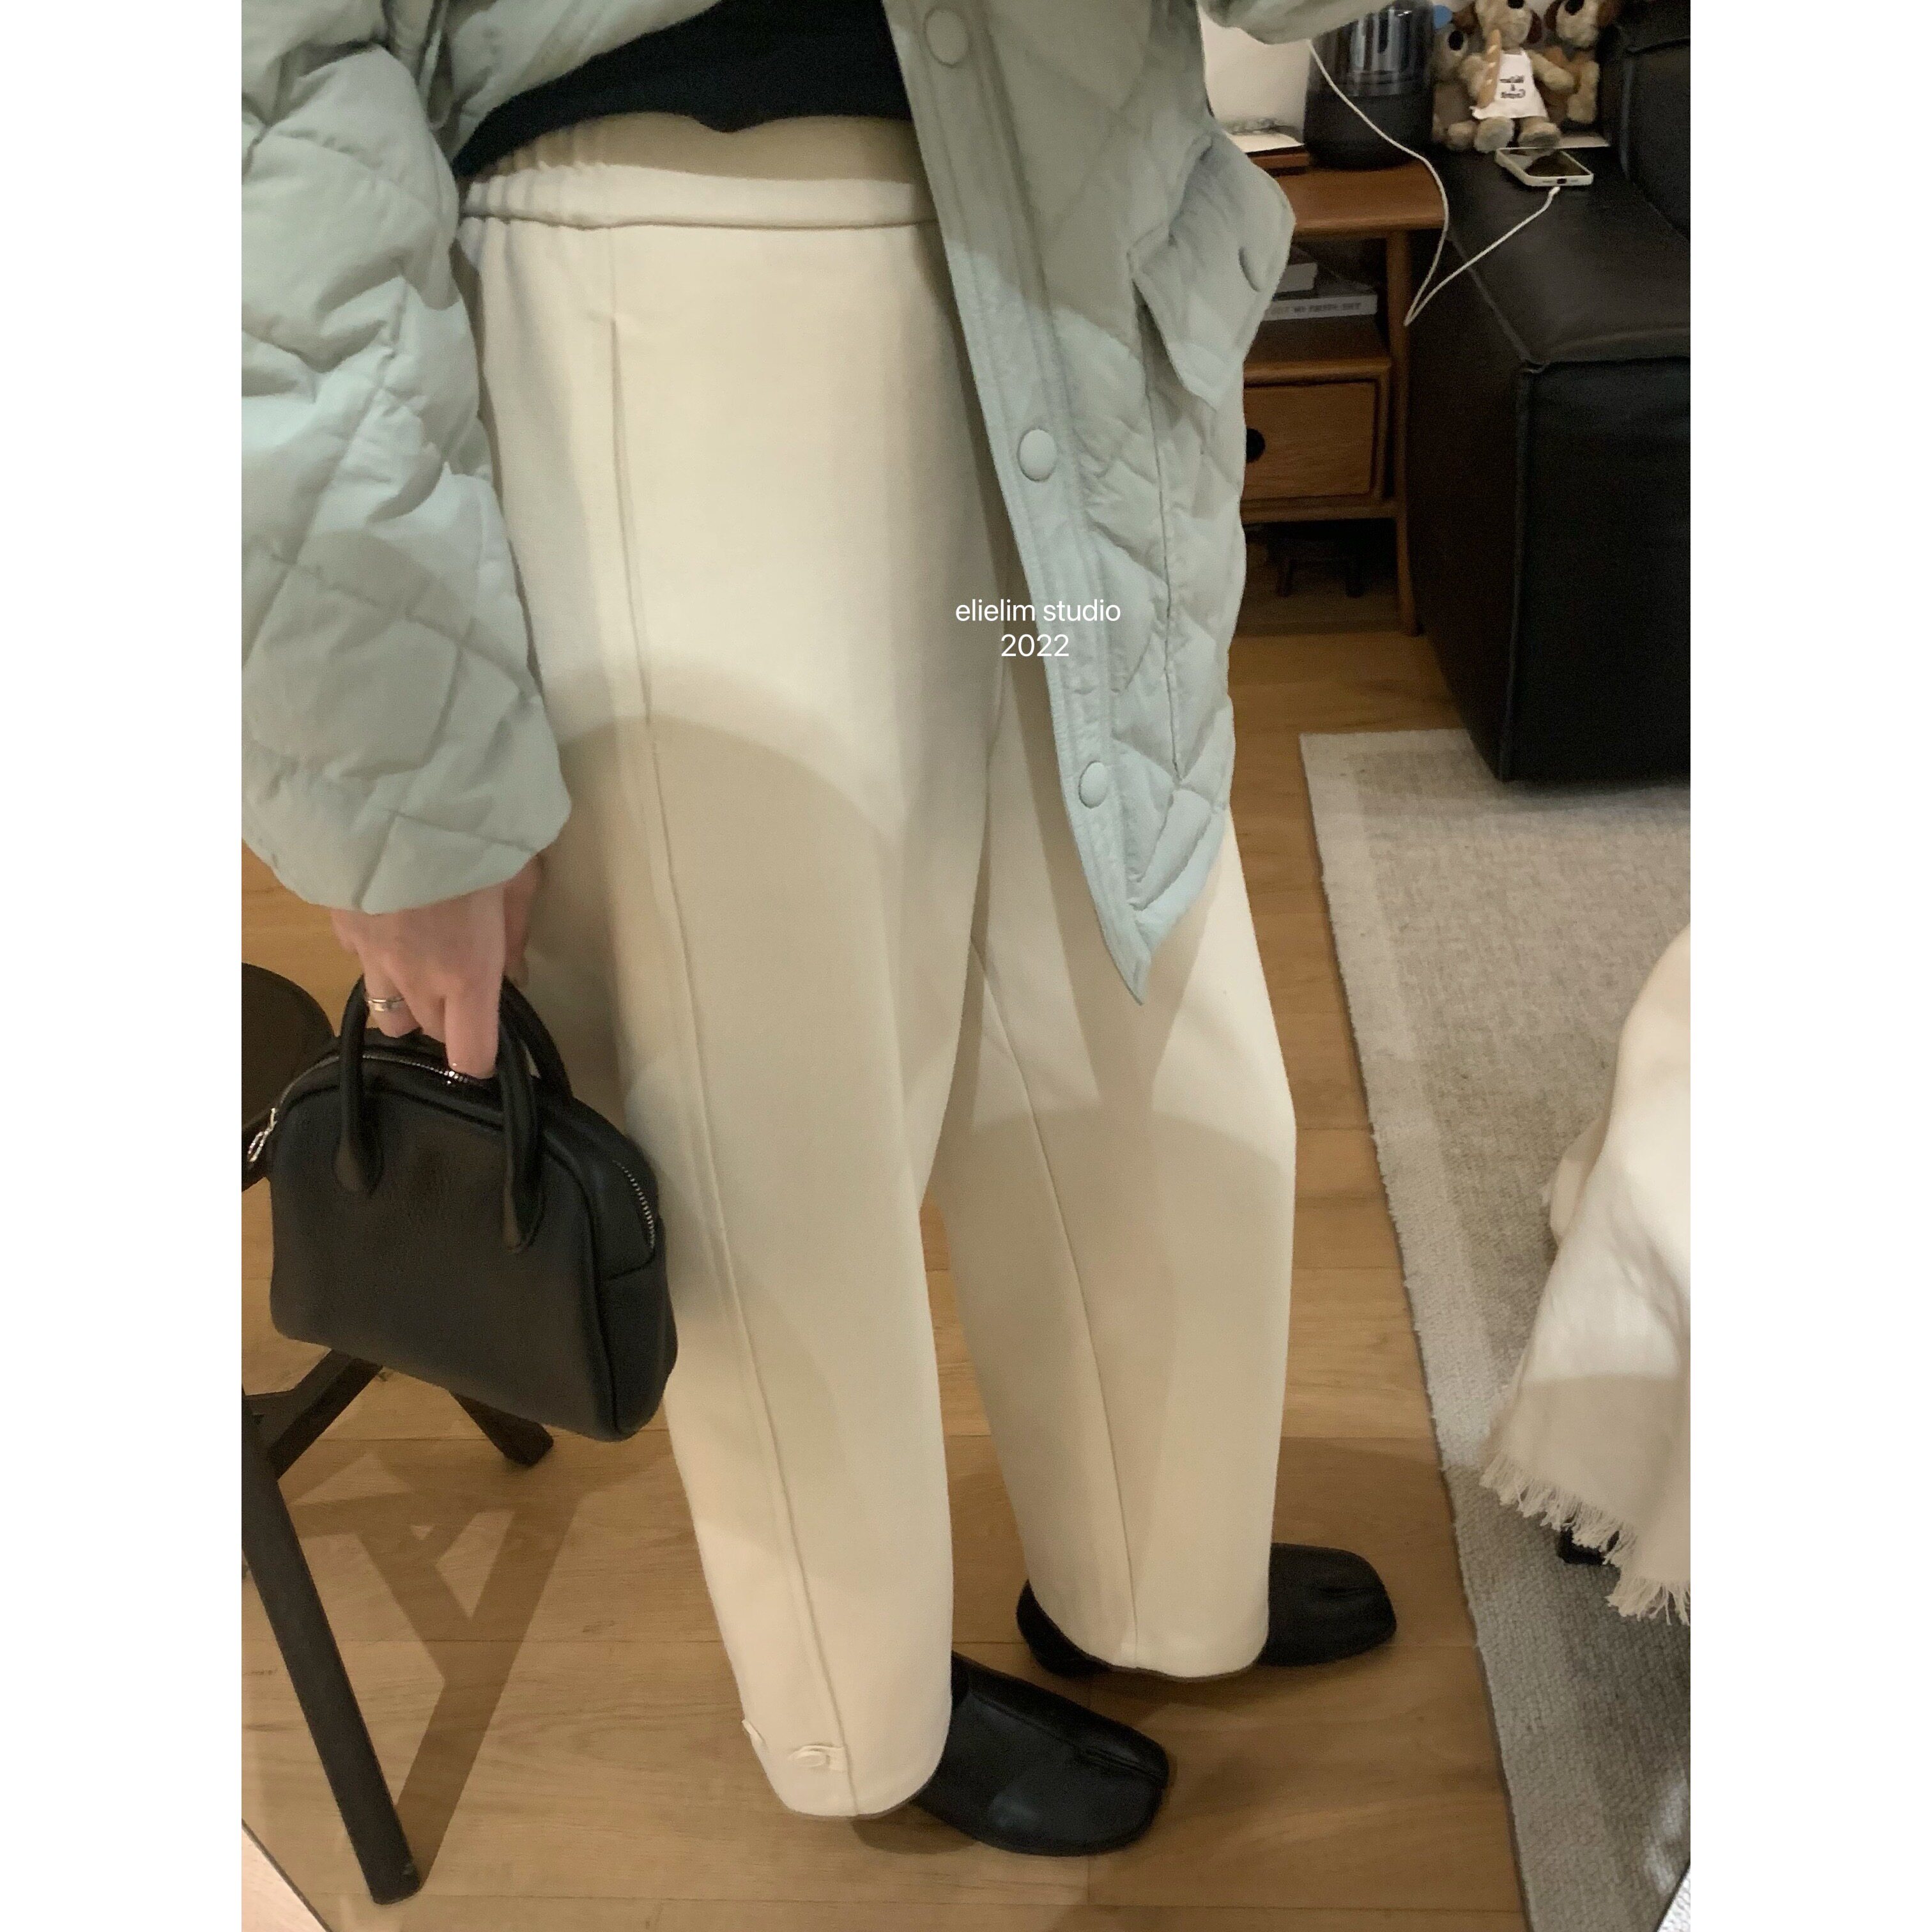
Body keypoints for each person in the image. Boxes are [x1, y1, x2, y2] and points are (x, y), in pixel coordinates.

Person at [243, 0, 1397, 1857]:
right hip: (672, 265)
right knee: (778, 1117)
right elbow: (262, 90)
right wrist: (393, 759)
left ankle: (1154, 1580)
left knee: (1137, 1004)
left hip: (1063, 246)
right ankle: (866, 1718)